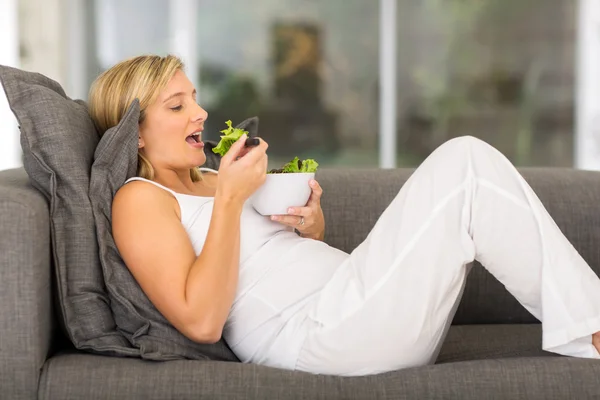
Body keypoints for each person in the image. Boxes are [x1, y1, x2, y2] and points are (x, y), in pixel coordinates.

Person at [88, 54, 600, 377]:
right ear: (133, 132)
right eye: (176, 106)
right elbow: (200, 320)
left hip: (351, 308)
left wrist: (311, 226)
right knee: (464, 163)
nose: (200, 113)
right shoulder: (139, 199)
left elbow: (275, 258)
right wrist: (229, 202)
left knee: (470, 167)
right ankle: (593, 329)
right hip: (317, 339)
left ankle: (590, 327)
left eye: (194, 99)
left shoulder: (216, 180)